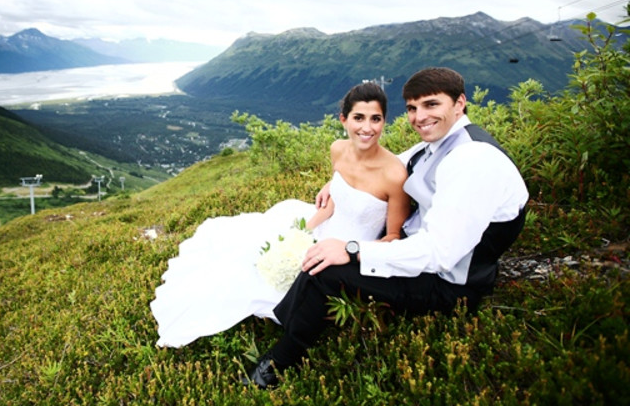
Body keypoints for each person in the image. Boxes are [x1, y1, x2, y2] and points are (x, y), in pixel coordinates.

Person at [244, 67, 529, 389]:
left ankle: (282, 359)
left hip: (449, 283)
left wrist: (353, 250)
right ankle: (294, 314)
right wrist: (334, 184)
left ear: (459, 103)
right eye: (412, 108)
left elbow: (440, 254)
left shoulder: (473, 160)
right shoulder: (437, 144)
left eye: (431, 105)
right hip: (416, 245)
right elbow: (383, 165)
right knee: (325, 249)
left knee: (325, 270)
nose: (419, 117)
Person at [150, 83, 411, 348]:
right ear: (343, 119)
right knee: (249, 257)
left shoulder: (394, 175)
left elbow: (393, 238)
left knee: (273, 286)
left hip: (350, 254)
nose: (367, 128)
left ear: (384, 121)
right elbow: (336, 202)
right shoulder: (338, 149)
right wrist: (303, 232)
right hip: (322, 230)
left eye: (375, 119)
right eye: (359, 117)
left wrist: (350, 249)